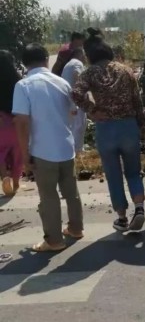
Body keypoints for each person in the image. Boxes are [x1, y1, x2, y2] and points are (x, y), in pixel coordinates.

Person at [72, 32, 145, 232]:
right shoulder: (126, 71)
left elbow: (76, 93)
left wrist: (93, 110)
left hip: (106, 129)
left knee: (113, 175)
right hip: (128, 126)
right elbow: (137, 101)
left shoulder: (89, 73)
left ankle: (122, 218)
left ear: (90, 56)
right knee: (133, 171)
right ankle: (139, 208)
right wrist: (141, 125)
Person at [12, 44, 84, 251]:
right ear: (46, 59)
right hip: (66, 146)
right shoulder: (61, 82)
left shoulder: (24, 86)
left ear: (25, 64)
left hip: (43, 150)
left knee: (48, 196)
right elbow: (73, 112)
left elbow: (22, 122)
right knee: (71, 192)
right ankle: (76, 228)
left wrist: (25, 154)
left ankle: (53, 240)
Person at [0, 50, 23, 195]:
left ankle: (4, 177)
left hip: (1, 121)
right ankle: (15, 182)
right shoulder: (18, 81)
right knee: (17, 154)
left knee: (0, 152)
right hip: (16, 122)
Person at [62, 48, 87, 154]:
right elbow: (77, 75)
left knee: (72, 127)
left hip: (68, 101)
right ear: (80, 55)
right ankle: (77, 151)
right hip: (77, 101)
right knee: (79, 126)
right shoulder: (77, 63)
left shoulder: (67, 65)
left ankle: (72, 149)